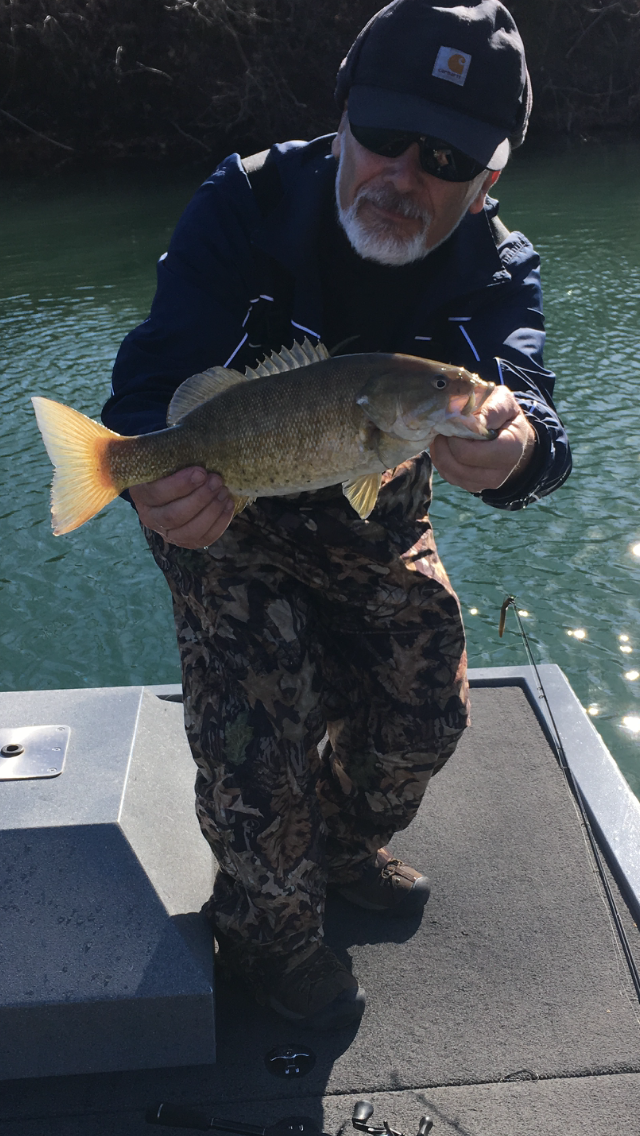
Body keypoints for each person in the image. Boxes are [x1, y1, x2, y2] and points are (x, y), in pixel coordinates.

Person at [103, 0, 571, 1031]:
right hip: (230, 507)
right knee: (254, 749)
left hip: (375, 506)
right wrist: (145, 476)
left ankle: (343, 843)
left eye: (445, 156)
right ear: (343, 117)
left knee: (425, 711)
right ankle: (268, 935)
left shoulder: (496, 265)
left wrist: (516, 450)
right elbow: (148, 386)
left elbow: (532, 409)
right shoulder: (247, 201)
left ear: (487, 178)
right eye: (385, 135)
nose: (405, 173)